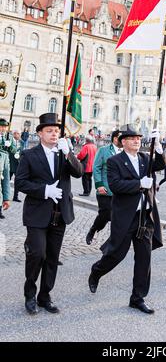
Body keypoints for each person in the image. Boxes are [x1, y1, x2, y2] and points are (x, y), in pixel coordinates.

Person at [88, 125, 166, 314]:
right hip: (125, 216)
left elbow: (161, 165)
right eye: (132, 138)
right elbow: (115, 185)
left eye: (139, 138)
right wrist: (139, 183)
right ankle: (97, 271)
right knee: (116, 254)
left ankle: (137, 298)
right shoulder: (115, 161)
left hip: (144, 217)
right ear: (123, 142)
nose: (136, 141)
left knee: (144, 259)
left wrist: (159, 150)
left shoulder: (144, 159)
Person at [15, 113, 83, 315]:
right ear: (40, 133)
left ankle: (45, 296)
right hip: (37, 214)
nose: (54, 134)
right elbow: (21, 182)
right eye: (49, 131)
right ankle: (30, 294)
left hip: (59, 214)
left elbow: (78, 172)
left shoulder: (64, 153)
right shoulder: (30, 155)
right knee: (37, 254)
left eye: (57, 131)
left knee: (52, 258)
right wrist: (45, 190)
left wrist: (69, 154)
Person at [85, 130, 121, 245]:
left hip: (120, 191)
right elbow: (96, 167)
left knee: (117, 217)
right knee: (105, 214)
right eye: (121, 137)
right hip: (105, 189)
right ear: (115, 139)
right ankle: (93, 230)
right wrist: (99, 185)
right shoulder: (104, 151)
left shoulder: (126, 152)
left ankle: (113, 241)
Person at [0, 118, 16, 218]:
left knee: (6, 181)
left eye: (5, 127)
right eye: (1, 126)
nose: (3, 129)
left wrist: (9, 146)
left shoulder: (9, 137)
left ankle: (6, 199)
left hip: (6, 159)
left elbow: (14, 150)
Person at [9, 131, 25, 202]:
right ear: (13, 134)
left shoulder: (22, 142)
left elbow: (23, 152)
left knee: (17, 181)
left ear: (20, 134)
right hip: (9, 163)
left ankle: (15, 196)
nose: (16, 135)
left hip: (18, 164)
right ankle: (3, 195)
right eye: (15, 133)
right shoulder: (9, 141)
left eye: (18, 133)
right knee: (6, 181)